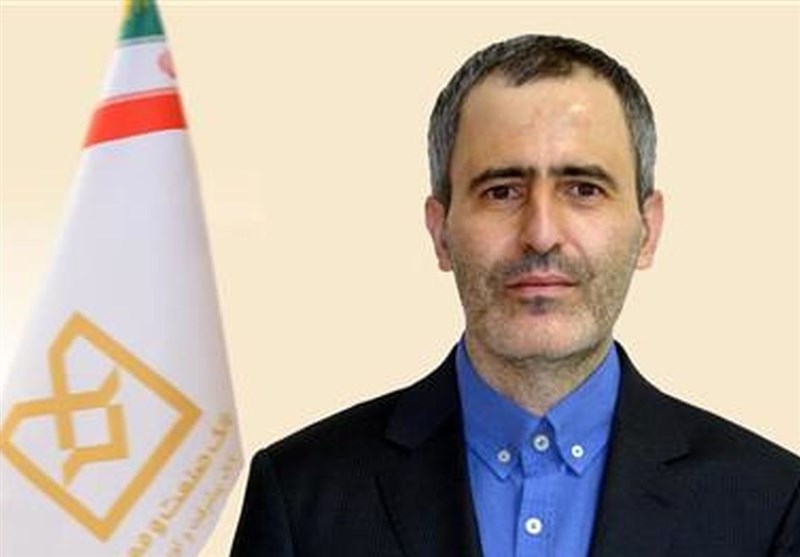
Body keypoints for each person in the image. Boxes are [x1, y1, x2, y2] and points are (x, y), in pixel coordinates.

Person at [231, 34, 800, 556]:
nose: (542, 233)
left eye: (584, 188)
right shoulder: (301, 497)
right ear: (441, 232)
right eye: (502, 191)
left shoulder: (773, 504)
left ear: (647, 231)